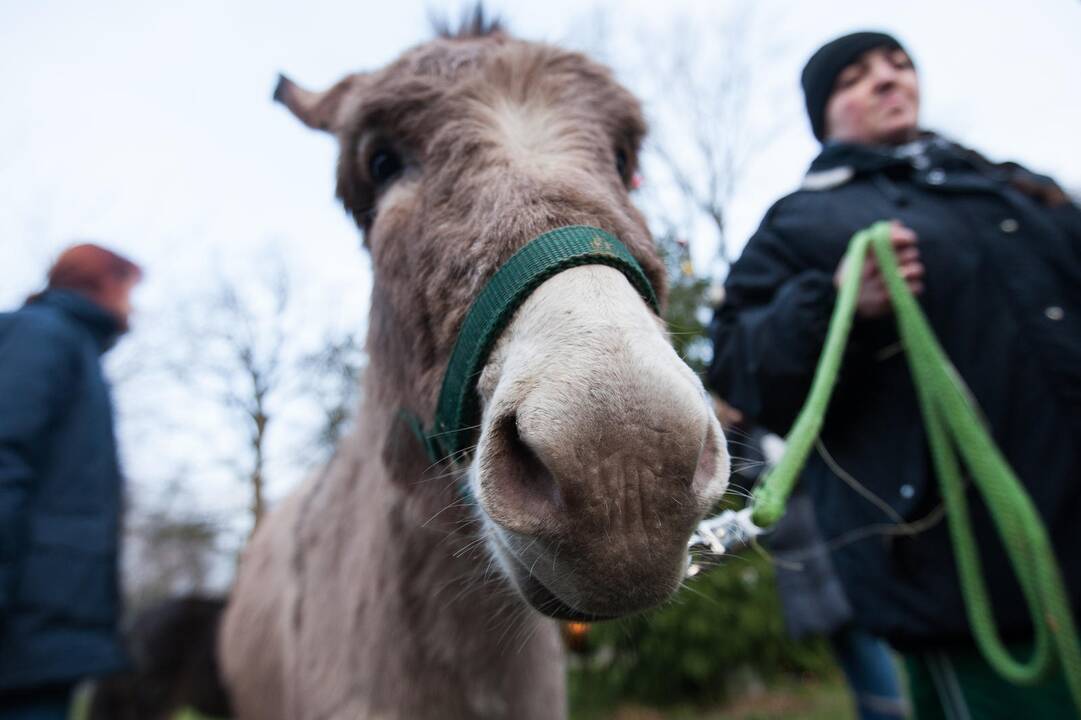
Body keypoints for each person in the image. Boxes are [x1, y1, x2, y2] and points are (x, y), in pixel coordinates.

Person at [708, 31, 1081, 718]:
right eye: (856, 76)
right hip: (964, 577)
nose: (887, 80)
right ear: (824, 114)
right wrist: (836, 302)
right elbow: (736, 365)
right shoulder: (800, 222)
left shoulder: (1017, 193)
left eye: (898, 66)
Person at [0, 244, 142, 719]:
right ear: (103, 283)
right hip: (21, 629)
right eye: (128, 289)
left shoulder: (72, 347)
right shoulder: (43, 336)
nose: (131, 304)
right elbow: (4, 455)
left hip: (40, 634)